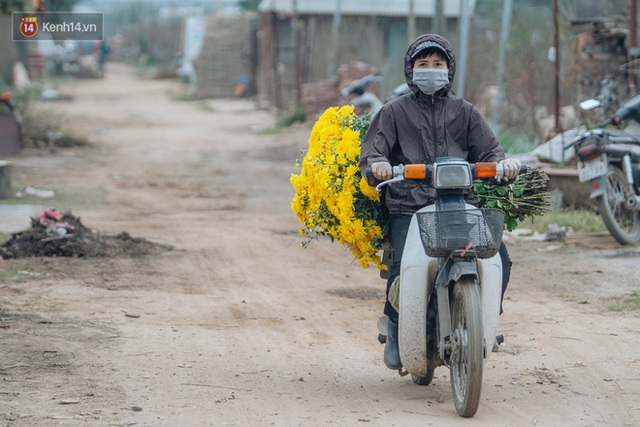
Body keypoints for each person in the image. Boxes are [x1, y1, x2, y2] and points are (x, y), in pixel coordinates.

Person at [359, 34, 521, 370]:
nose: (431, 70)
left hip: (459, 202)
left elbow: (490, 151)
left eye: (438, 64)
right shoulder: (393, 112)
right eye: (423, 64)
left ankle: (485, 319)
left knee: (499, 258)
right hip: (409, 205)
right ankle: (395, 328)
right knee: (403, 267)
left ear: (449, 69)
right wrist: (378, 164)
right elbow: (373, 152)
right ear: (410, 69)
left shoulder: (465, 112)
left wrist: (503, 164)